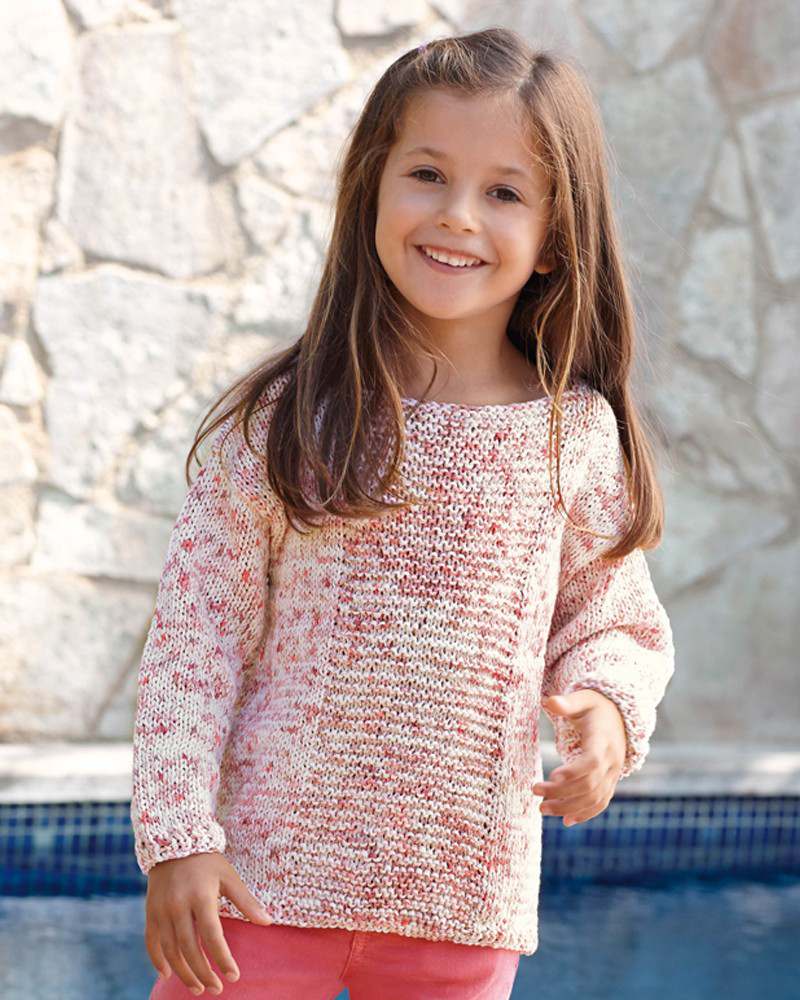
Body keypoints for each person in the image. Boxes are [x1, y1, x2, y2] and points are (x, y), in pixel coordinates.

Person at [131, 26, 676, 1000]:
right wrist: (177, 836)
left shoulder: (571, 434)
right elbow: (195, 637)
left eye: (503, 192)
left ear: (554, 235)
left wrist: (604, 710)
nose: (457, 216)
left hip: (461, 902)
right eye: (427, 174)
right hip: (258, 887)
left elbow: (612, 617)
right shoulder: (288, 420)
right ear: (372, 187)